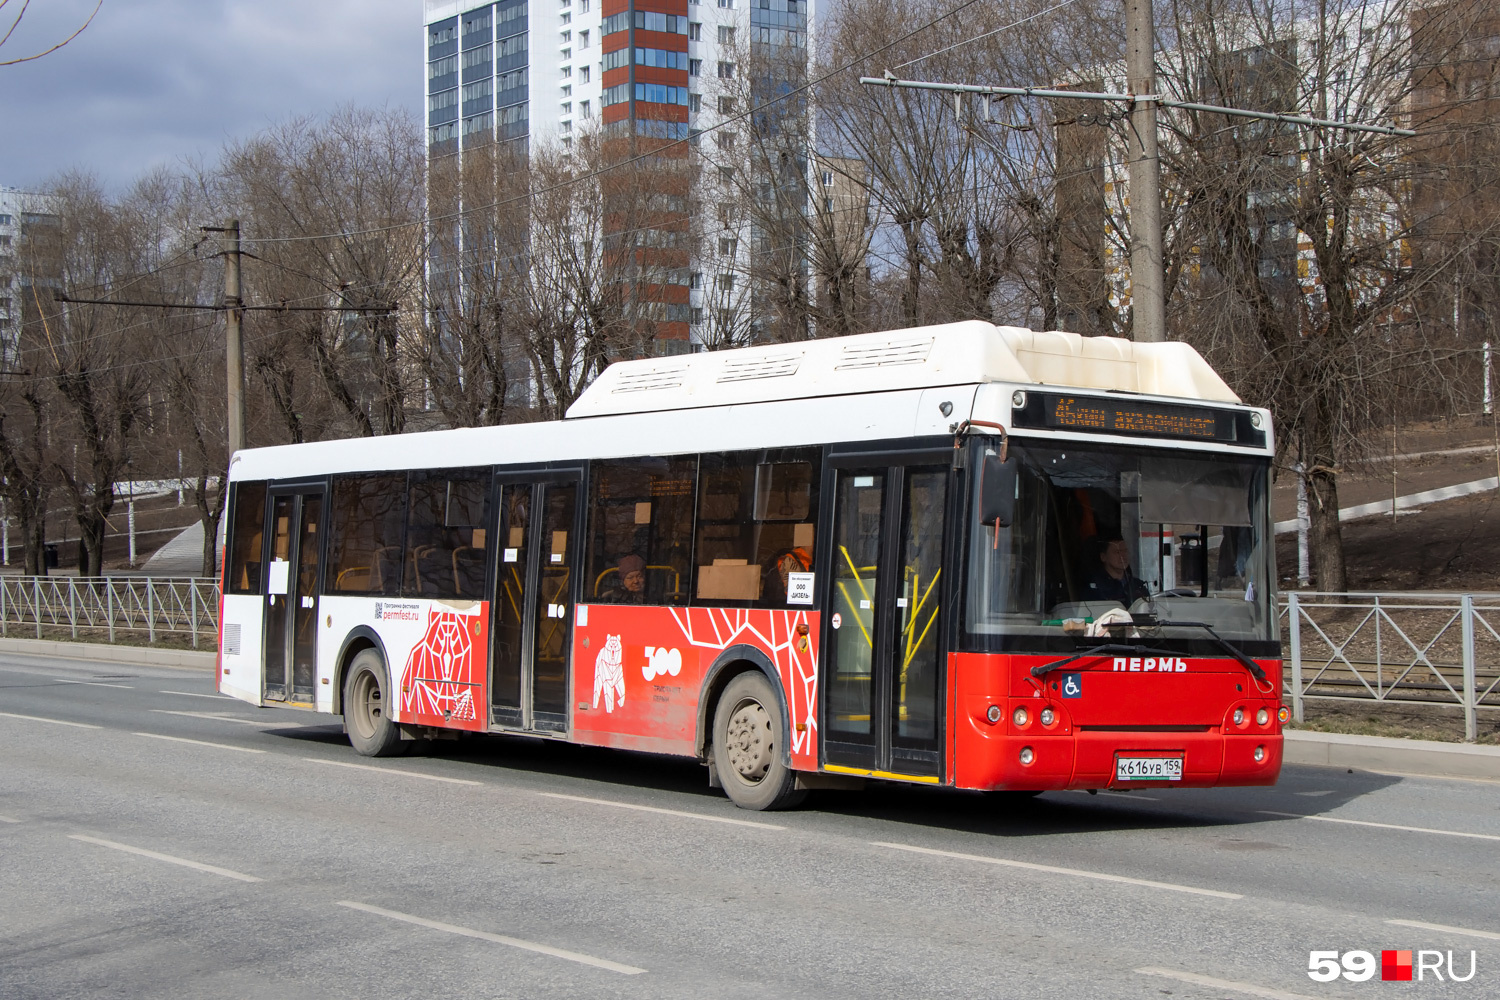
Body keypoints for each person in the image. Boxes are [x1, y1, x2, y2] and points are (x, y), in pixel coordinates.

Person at [1085, 536, 1149, 606]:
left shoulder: (1138, 585)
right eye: (1117, 552)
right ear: (1103, 557)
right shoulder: (1095, 588)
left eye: (1125, 551)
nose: (1123, 556)